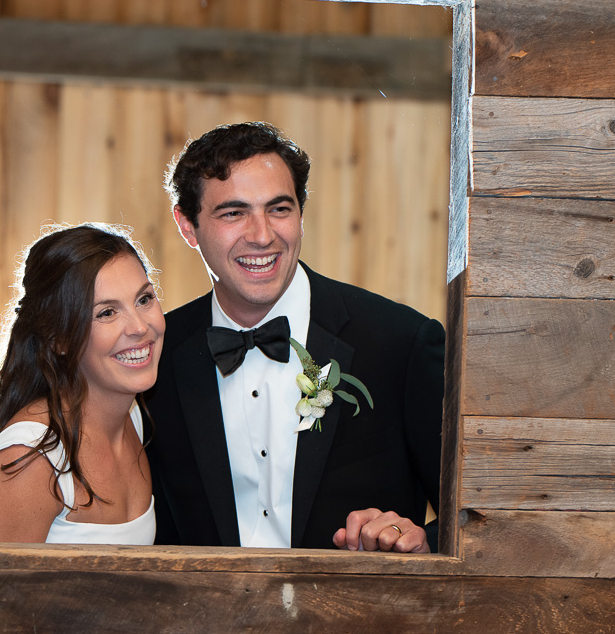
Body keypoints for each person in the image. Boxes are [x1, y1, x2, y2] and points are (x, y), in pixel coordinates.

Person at [144, 122, 445, 553]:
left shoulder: (402, 342)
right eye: (233, 213)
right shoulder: (156, 357)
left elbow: (475, 521)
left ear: (300, 213)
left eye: (279, 209)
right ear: (187, 226)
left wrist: (419, 543)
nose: (262, 235)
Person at [0, 223, 164, 544]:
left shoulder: (132, 417)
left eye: (144, 299)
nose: (140, 327)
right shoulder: (28, 461)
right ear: (58, 338)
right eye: (106, 313)